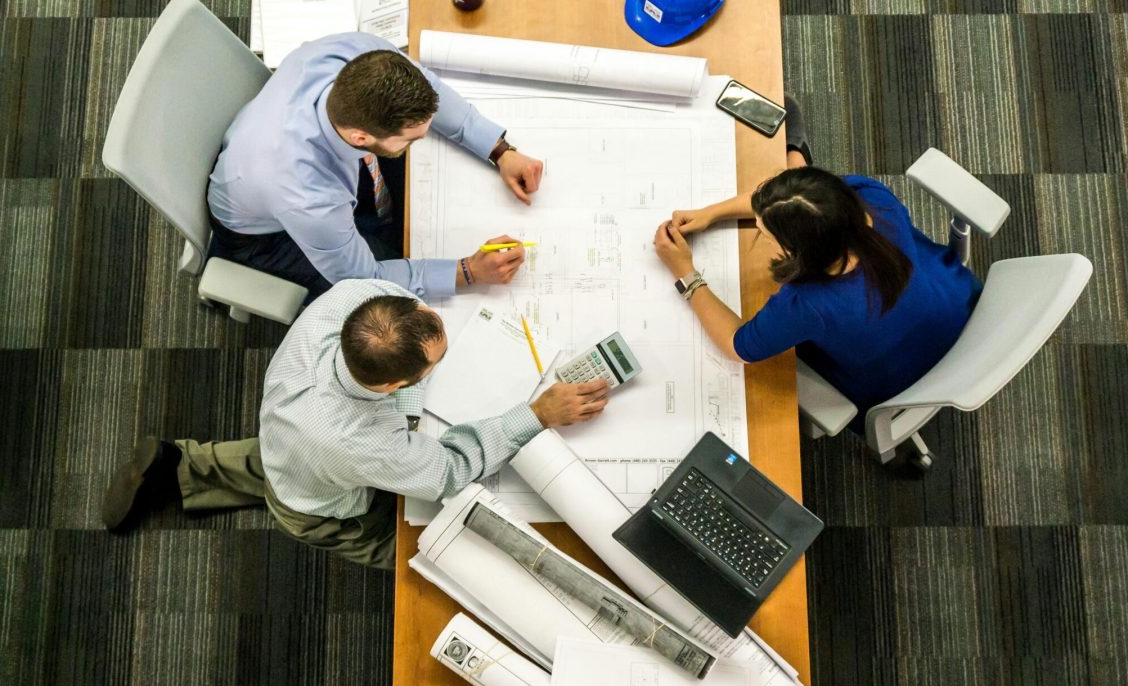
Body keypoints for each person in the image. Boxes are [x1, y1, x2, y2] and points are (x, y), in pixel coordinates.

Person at [101, 279, 609, 570]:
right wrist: (536, 413)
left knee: (285, 459)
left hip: (289, 433)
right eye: (435, 362)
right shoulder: (360, 443)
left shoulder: (353, 299)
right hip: (320, 503)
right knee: (421, 549)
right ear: (392, 386)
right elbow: (449, 472)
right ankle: (193, 474)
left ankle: (181, 465)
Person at [653, 103, 980, 439]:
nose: (761, 238)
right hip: (958, 305)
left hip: (898, 380)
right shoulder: (869, 197)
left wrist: (686, 273)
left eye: (765, 235)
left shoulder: (808, 304)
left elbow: (739, 346)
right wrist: (711, 213)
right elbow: (788, 199)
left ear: (798, 252)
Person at [208, 32, 546, 300]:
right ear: (360, 137)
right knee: (384, 301)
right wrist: (468, 271)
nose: (423, 139)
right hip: (264, 235)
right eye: (411, 138)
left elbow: (431, 89)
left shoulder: (357, 53)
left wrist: (499, 150)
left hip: (268, 154)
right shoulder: (308, 196)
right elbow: (364, 279)